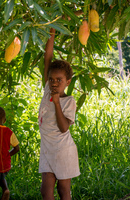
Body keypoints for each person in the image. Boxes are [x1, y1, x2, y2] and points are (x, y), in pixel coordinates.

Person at [38, 28, 80, 200]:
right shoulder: (48, 90)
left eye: (59, 80)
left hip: (63, 150)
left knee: (63, 190)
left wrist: (56, 103)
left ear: (68, 82)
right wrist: (51, 33)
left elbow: (64, 128)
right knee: (46, 190)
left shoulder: (69, 101)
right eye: (51, 79)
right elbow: (48, 58)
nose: (54, 83)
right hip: (47, 148)